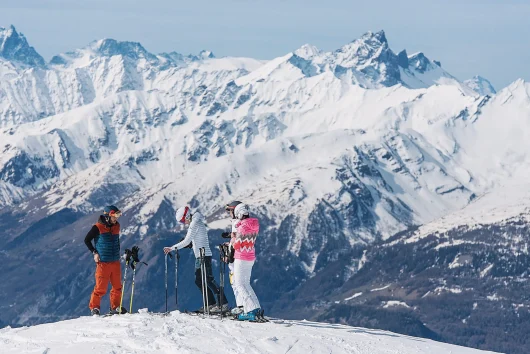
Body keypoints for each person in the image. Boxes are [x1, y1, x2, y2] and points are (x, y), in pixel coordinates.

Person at [164, 206, 228, 313]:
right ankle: (211, 304)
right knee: (199, 280)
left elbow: (187, 240)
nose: (184, 223)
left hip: (204, 256)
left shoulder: (195, 223)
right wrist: (191, 245)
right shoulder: (195, 221)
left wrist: (171, 248)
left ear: (186, 216)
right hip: (200, 256)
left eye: (183, 220)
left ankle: (223, 304)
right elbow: (195, 239)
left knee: (208, 280)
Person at [84, 205, 126, 316]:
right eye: (115, 215)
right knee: (100, 288)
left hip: (115, 261)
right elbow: (87, 240)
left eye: (118, 215)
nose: (116, 218)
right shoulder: (97, 227)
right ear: (108, 215)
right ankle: (94, 308)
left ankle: (115, 307)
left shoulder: (117, 226)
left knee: (117, 287)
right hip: (103, 262)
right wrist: (94, 252)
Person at [231, 203, 262, 321]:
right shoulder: (254, 224)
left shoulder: (242, 227)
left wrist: (234, 237)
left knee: (239, 284)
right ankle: (256, 309)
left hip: (241, 257)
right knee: (246, 284)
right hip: (250, 256)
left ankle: (251, 312)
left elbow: (237, 244)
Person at [223, 201, 244, 315]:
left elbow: (235, 240)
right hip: (241, 255)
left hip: (235, 257)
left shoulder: (236, 222)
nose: (229, 213)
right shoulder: (241, 222)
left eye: (230, 211)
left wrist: (229, 255)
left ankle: (241, 306)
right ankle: (241, 305)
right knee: (238, 281)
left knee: (236, 282)